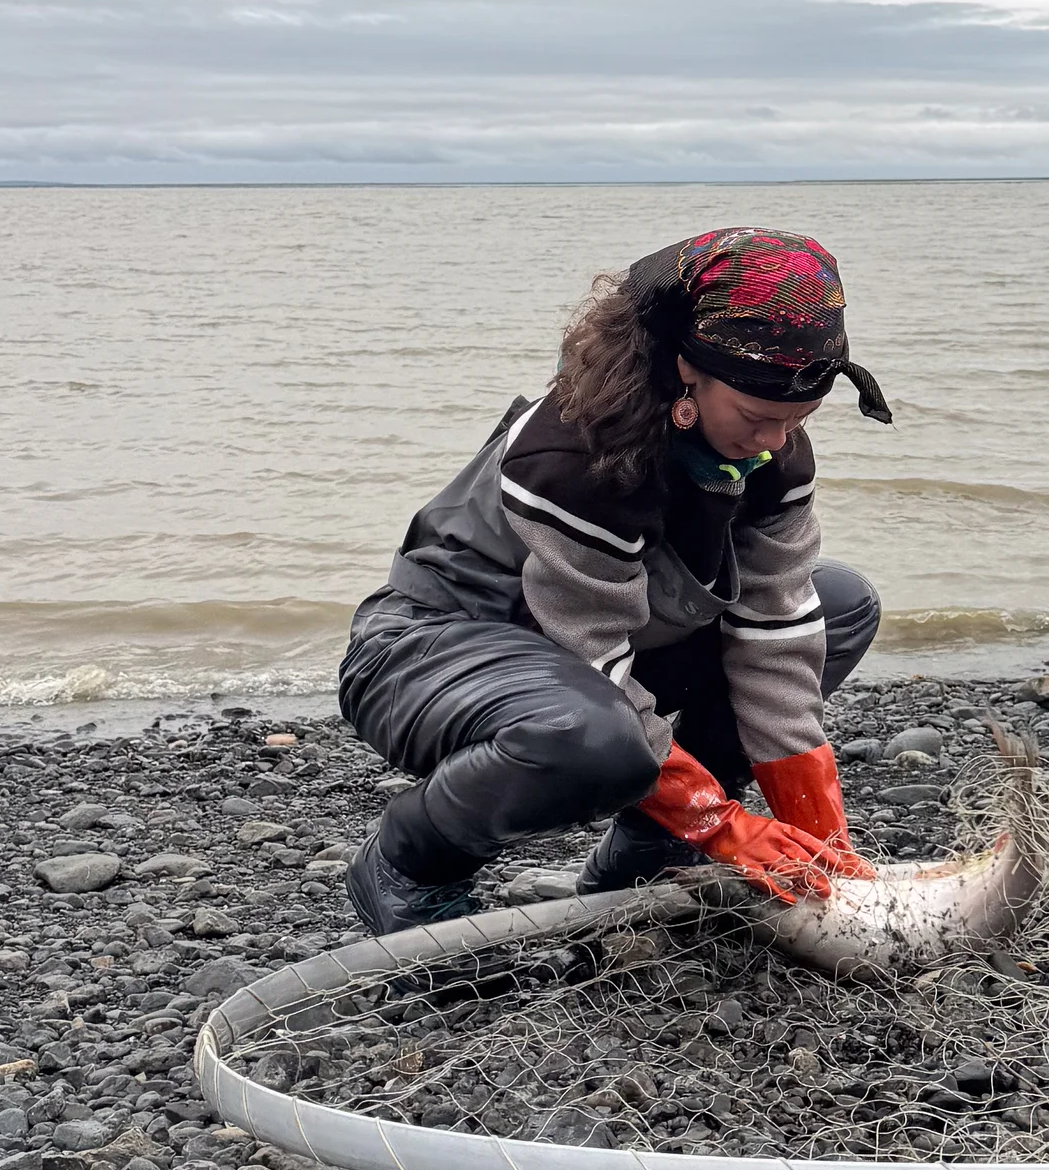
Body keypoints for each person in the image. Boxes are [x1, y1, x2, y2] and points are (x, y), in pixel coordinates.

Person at [335, 227, 893, 936]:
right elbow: (590, 653)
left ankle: (651, 850)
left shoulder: (769, 451)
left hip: (588, 651)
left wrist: (823, 840)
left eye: (798, 420)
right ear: (688, 367)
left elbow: (774, 637)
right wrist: (724, 828)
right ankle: (408, 864)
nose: (776, 442)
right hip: (429, 651)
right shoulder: (573, 454)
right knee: (598, 737)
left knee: (838, 606)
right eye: (758, 417)